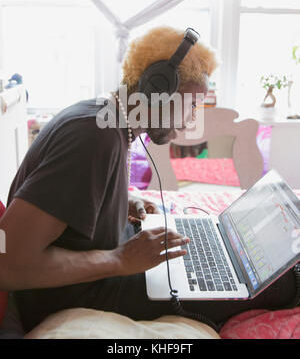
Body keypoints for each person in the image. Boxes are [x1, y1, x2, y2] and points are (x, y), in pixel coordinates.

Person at [0, 26, 296, 334]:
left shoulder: (103, 117)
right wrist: (119, 260)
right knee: (280, 284)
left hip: (100, 268)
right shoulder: (92, 138)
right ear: (159, 91)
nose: (192, 119)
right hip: (81, 291)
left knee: (220, 258)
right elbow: (7, 263)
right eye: (192, 105)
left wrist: (119, 199)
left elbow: (66, 194)